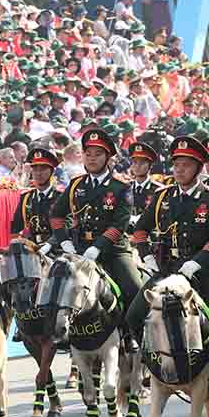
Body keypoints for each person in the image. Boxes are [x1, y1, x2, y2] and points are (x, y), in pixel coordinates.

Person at [126, 135, 209, 389]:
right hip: (168, 270)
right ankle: (152, 358)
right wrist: (147, 256)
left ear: (198, 168)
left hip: (205, 271)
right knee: (133, 315)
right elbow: (140, 229)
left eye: (186, 165)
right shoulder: (161, 196)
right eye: (176, 164)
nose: (179, 170)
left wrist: (196, 264)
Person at [50, 127, 141, 329]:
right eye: (88, 154)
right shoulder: (76, 185)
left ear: (108, 157)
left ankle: (134, 336)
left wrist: (98, 247)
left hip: (113, 251)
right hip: (79, 250)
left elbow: (120, 223)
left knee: (136, 291)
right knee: (52, 288)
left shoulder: (121, 186)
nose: (91, 158)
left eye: (98, 154)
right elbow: (56, 215)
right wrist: (64, 242)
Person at [11, 146, 61, 246]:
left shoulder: (60, 197)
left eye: (43, 169)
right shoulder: (26, 198)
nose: (38, 173)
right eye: (35, 169)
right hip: (31, 247)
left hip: (56, 248)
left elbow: (66, 229)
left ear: (52, 171)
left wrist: (49, 245)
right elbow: (16, 228)